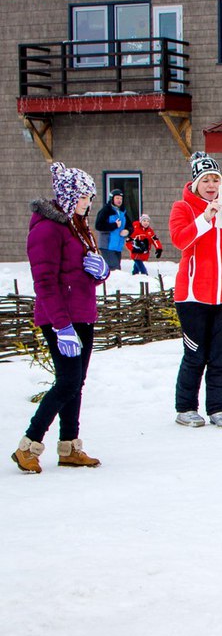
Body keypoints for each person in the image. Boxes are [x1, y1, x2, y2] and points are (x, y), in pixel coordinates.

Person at [13, 163, 110, 473]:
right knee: (67, 382)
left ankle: (69, 446)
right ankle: (28, 446)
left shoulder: (78, 226)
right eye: (83, 196)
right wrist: (61, 325)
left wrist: (100, 272)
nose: (89, 202)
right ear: (68, 196)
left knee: (75, 383)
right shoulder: (47, 229)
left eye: (90, 196)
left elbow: (83, 271)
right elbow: (45, 283)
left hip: (82, 312)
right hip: (61, 318)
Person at [169, 152, 222, 429]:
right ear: (195, 183)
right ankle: (186, 407)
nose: (212, 185)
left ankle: (218, 408)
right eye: (206, 180)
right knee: (195, 353)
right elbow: (180, 240)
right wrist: (204, 219)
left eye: (216, 179)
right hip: (193, 294)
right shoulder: (183, 208)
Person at [93, 188, 130, 272]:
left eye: (121, 198)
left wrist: (127, 231)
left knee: (116, 269)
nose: (119, 200)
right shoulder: (105, 211)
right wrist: (114, 225)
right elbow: (98, 226)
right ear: (112, 198)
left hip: (117, 246)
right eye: (117, 198)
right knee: (114, 269)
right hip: (107, 245)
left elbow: (130, 226)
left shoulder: (122, 212)